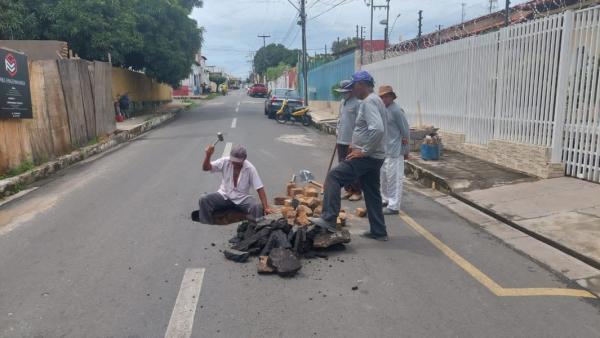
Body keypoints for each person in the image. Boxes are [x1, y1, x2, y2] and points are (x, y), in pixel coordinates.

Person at [310, 71, 389, 241]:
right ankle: (379, 231)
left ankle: (329, 218)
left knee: (334, 177)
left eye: (354, 85)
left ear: (361, 85)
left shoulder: (368, 102)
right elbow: (370, 128)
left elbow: (378, 129)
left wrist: (364, 150)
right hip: (376, 156)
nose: (352, 89)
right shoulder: (376, 100)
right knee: (372, 192)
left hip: (367, 157)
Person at [196, 144, 274, 224]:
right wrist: (208, 155)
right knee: (204, 199)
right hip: (224, 195)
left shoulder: (250, 168)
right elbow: (205, 168)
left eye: (237, 162)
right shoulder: (225, 161)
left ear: (244, 160)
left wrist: (266, 207)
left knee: (257, 207)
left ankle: (256, 228)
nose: (234, 164)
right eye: (233, 161)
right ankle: (206, 223)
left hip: (242, 198)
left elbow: (259, 188)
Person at [379, 85, 410, 215]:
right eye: (382, 97)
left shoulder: (397, 111)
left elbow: (405, 132)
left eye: (387, 96)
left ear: (392, 97)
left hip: (395, 151)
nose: (385, 99)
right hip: (384, 150)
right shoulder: (382, 109)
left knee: (394, 179)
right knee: (384, 178)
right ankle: (385, 199)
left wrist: (406, 151)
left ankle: (394, 206)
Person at [334, 79, 362, 201]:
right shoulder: (342, 102)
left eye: (345, 92)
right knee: (342, 166)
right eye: (342, 92)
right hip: (341, 139)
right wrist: (337, 130)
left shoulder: (358, 103)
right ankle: (349, 190)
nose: (343, 94)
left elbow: (360, 124)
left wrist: (355, 141)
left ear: (351, 91)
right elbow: (340, 119)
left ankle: (357, 191)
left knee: (352, 167)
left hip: (352, 142)